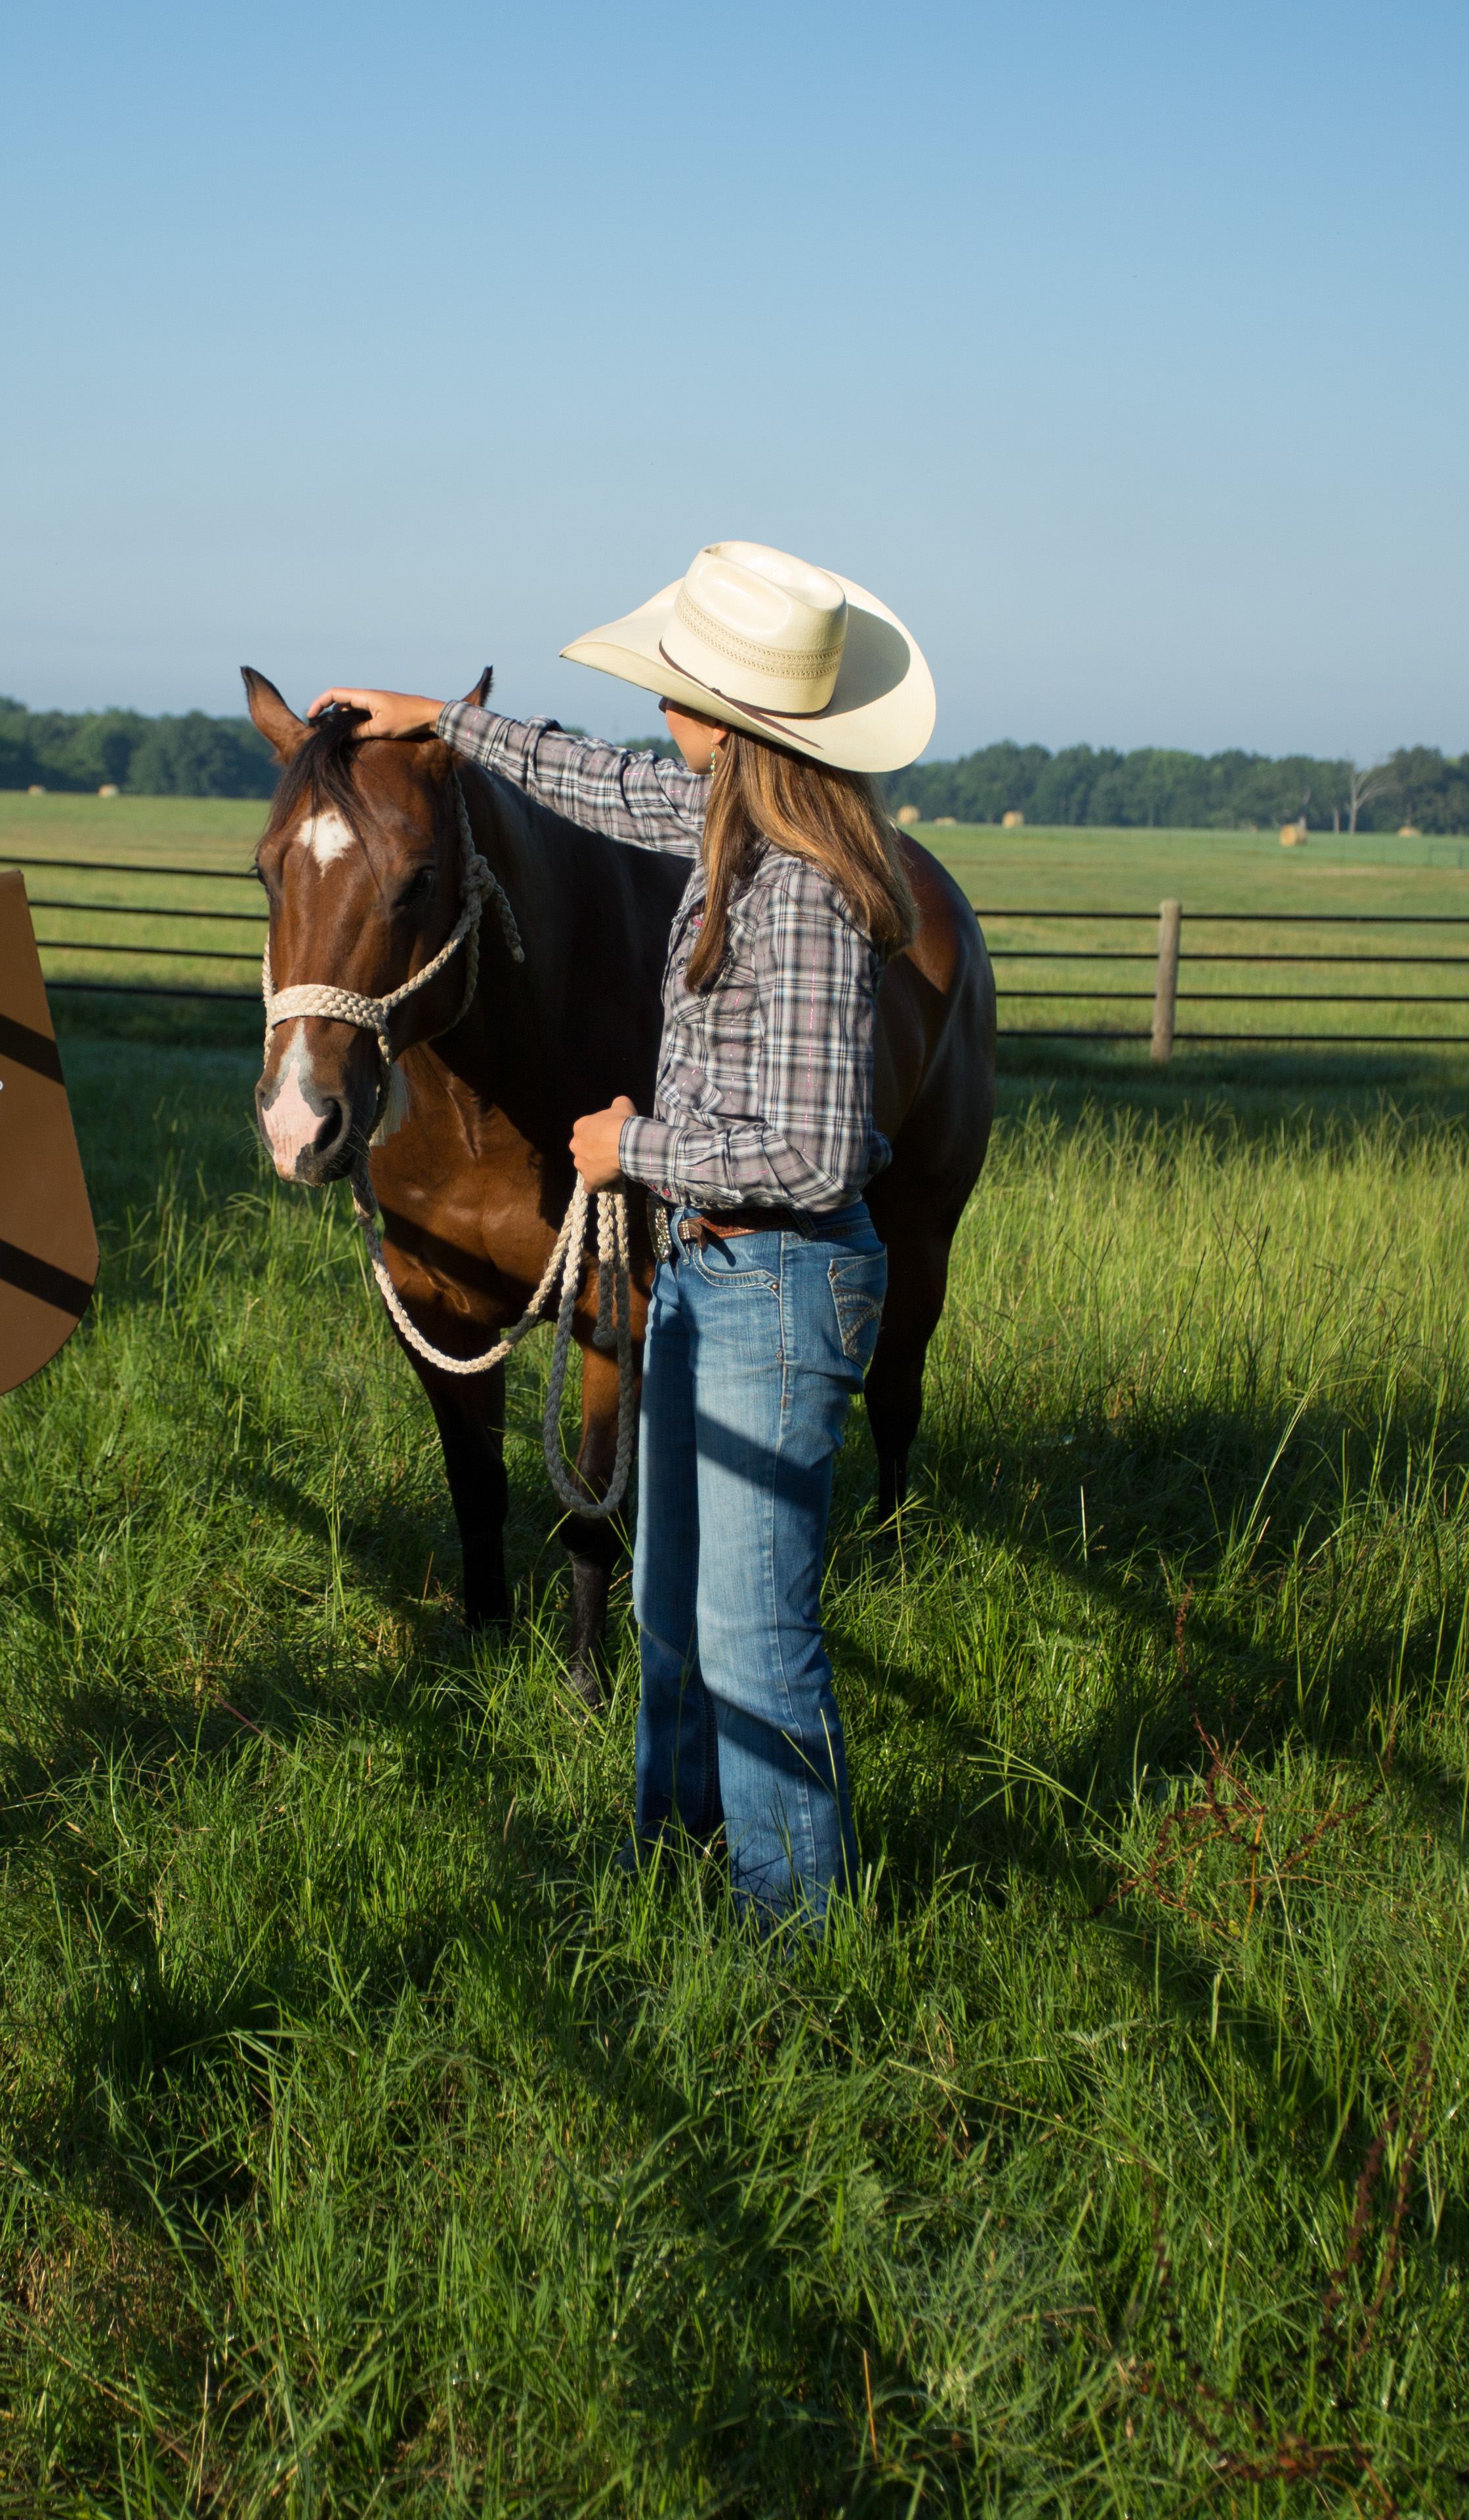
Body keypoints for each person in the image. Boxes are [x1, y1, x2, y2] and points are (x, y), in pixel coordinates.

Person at [313, 539, 938, 1923]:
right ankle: (669, 1866)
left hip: (777, 1280)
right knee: (671, 1610)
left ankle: (798, 1934)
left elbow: (818, 1153)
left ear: (737, 716)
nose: (659, 707)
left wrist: (628, 1147)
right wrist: (436, 717)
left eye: (678, 684)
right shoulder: (731, 826)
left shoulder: (815, 898)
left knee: (755, 1636)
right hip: (711, 1268)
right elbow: (597, 782)